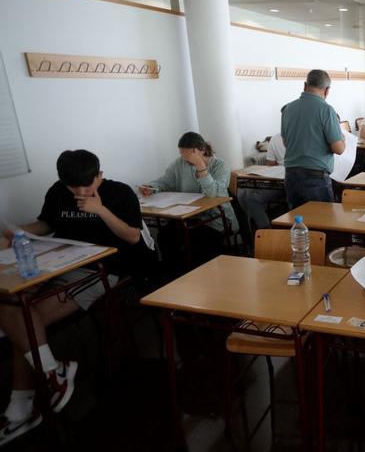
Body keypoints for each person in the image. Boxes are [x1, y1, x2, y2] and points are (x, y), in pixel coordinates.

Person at [1, 150, 155, 444]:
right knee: (10, 304)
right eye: (75, 188)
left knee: (22, 326)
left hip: (105, 270)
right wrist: (16, 231)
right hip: (61, 264)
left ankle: (21, 406)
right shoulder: (58, 192)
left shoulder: (119, 193)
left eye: (89, 185)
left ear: (100, 175)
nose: (83, 192)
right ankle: (50, 374)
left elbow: (133, 237)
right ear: (63, 182)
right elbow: (47, 224)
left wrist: (100, 210)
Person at [141, 132, 238, 262]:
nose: (186, 158)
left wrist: (201, 166)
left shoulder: (221, 165)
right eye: (182, 154)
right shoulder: (179, 163)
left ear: (202, 150)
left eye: (190, 154)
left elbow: (213, 193)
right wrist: (151, 187)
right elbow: (165, 181)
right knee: (165, 236)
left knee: (199, 242)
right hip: (188, 217)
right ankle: (174, 277)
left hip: (215, 219)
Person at [278, 69, 345, 208]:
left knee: (298, 220)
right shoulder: (326, 110)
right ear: (327, 90)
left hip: (291, 175)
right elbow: (338, 149)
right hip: (316, 177)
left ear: (304, 85)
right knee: (323, 222)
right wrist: (343, 139)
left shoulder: (288, 109)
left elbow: (286, 142)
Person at [237, 133, 286, 230]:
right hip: (281, 178)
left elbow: (269, 164)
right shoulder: (276, 139)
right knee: (243, 192)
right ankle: (256, 230)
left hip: (286, 180)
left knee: (249, 197)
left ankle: (263, 230)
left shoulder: (276, 138)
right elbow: (269, 164)